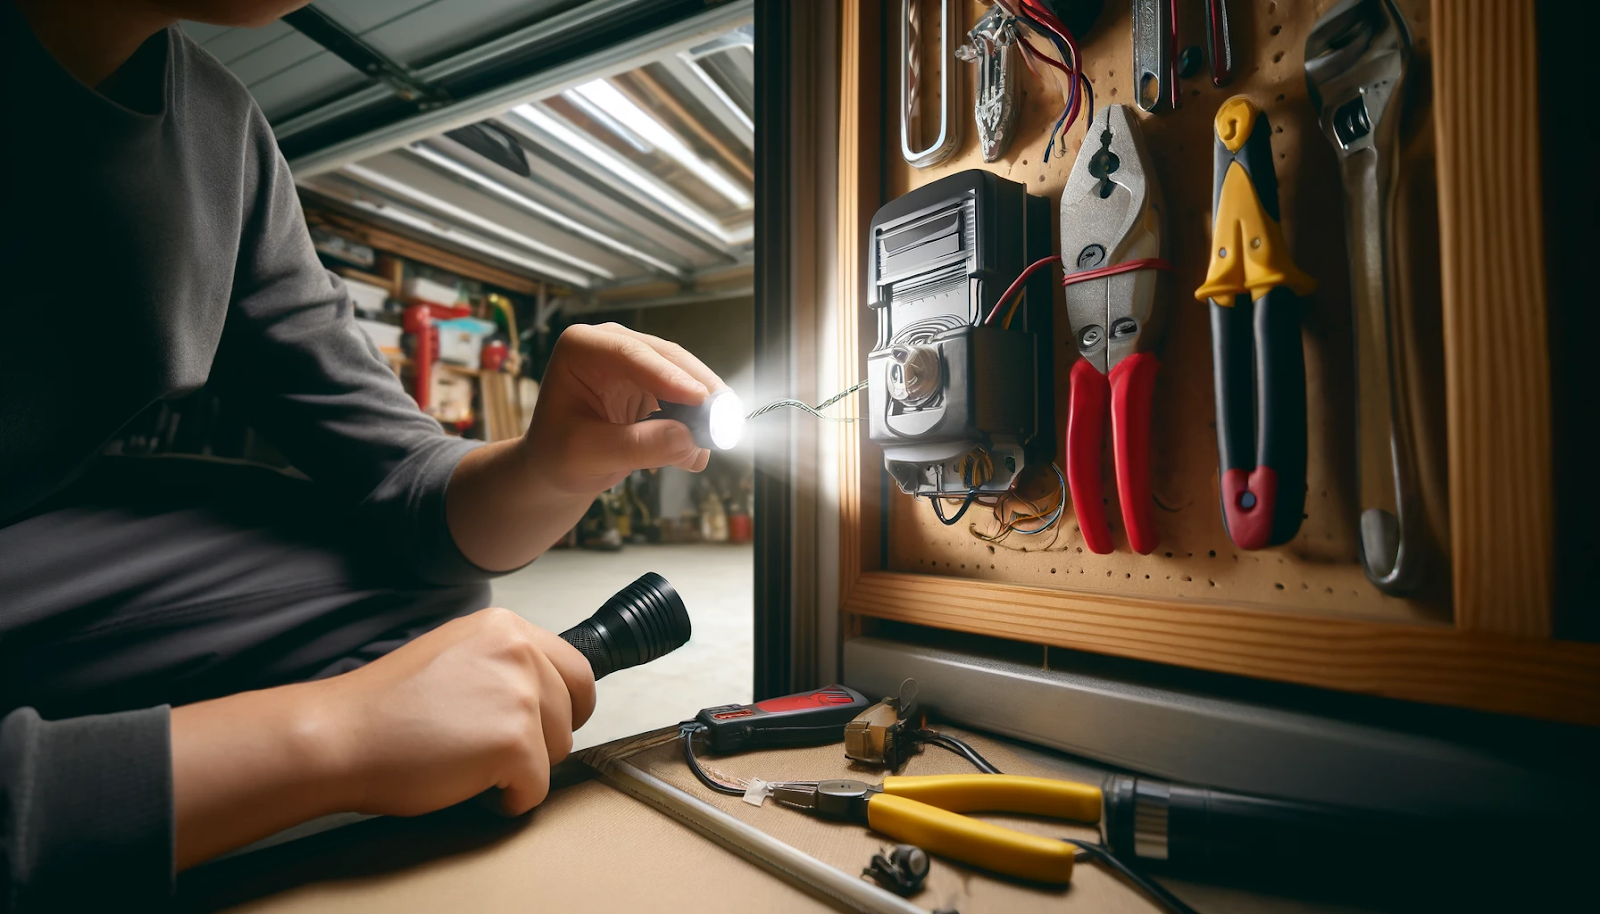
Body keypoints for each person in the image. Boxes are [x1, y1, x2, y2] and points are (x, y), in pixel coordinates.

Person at [0, 1, 725, 908]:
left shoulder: (222, 137)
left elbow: (402, 484)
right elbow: (346, 721)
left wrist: (551, 464)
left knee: (433, 616)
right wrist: (327, 738)